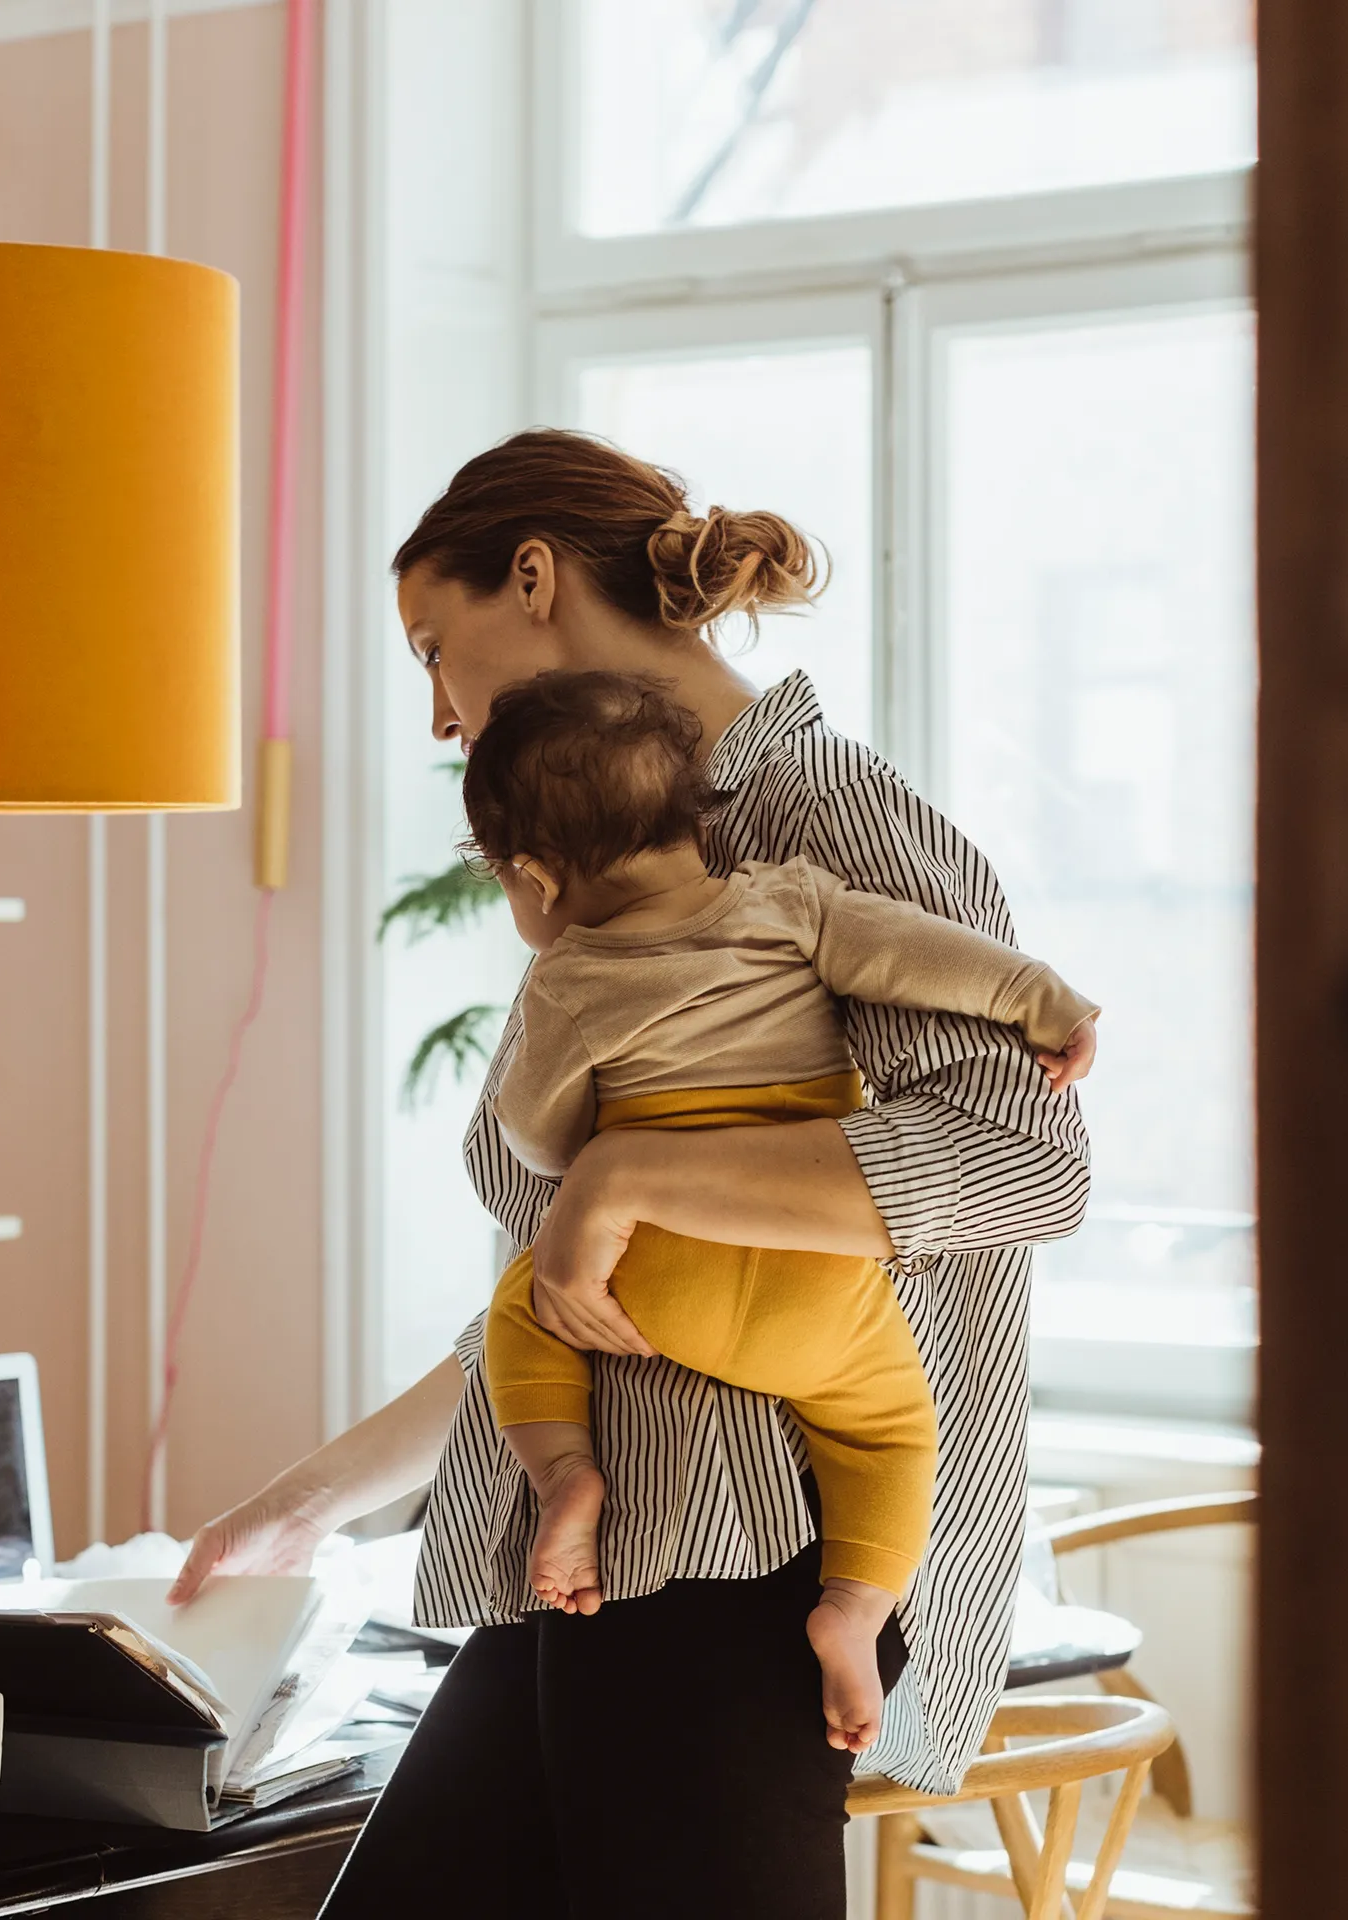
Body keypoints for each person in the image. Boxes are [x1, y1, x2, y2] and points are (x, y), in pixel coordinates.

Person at [168, 430, 1090, 1919]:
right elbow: (593, 1293)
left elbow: (1021, 1162)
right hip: (599, 1554)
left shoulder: (821, 822)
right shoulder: (611, 856)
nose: (436, 712)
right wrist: (318, 1499)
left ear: (531, 579)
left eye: (434, 649)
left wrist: (633, 1175)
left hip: (750, 1567)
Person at [462, 668, 1099, 1753]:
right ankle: (852, 1611)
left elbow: (535, 1136)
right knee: (895, 1432)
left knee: (526, 1301)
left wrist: (592, 1149)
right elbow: (921, 957)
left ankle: (566, 1471)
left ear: (535, 875)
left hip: (658, 1283)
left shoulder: (569, 979)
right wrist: (1042, 998)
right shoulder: (789, 901)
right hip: (820, 1299)